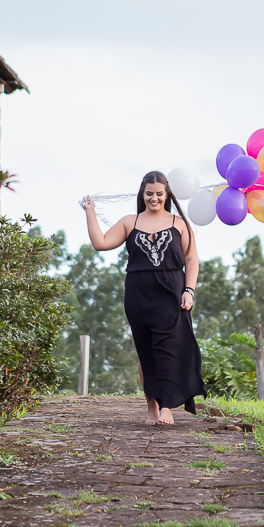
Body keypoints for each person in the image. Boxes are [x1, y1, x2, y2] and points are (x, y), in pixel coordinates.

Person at [82, 172, 206, 425]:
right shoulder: (130, 221)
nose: (154, 198)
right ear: (142, 194)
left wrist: (189, 290)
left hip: (172, 294)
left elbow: (191, 259)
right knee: (145, 352)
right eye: (149, 193)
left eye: (159, 194)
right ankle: (152, 406)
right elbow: (101, 243)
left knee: (169, 350)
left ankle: (168, 408)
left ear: (167, 195)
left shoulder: (180, 222)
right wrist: (89, 211)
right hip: (138, 295)